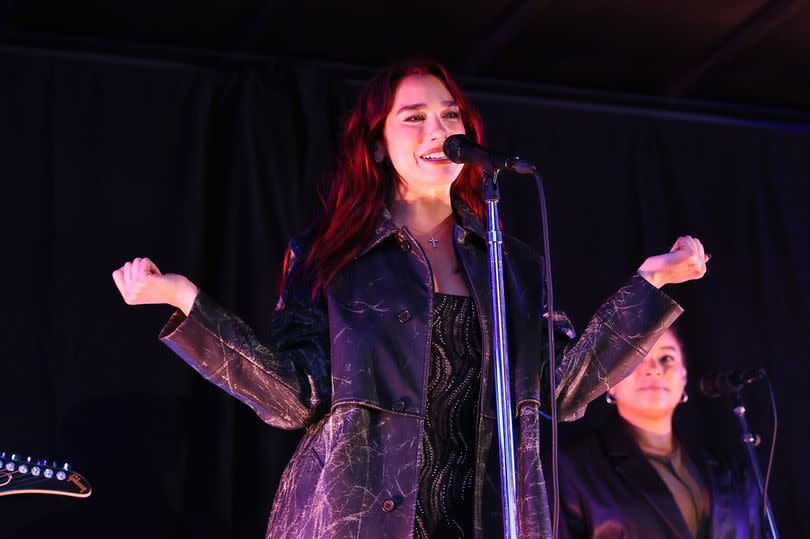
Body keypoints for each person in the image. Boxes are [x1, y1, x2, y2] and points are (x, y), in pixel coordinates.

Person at [112, 59, 708, 539]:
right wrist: (188, 303)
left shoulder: (511, 262)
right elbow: (294, 399)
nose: (438, 130)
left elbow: (562, 386)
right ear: (375, 145)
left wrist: (649, 286)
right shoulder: (329, 256)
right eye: (414, 117)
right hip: (360, 517)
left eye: (449, 115)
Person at [554, 327, 762, 538]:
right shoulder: (571, 470)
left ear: (684, 376)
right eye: (636, 358)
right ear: (610, 382)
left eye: (666, 358)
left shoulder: (730, 466)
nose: (654, 369)